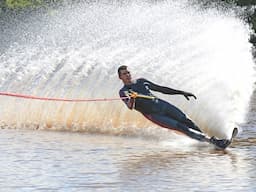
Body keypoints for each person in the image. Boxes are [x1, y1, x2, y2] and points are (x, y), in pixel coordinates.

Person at [118, 65, 231, 148]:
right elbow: (130, 106)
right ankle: (213, 141)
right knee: (182, 127)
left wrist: (181, 92)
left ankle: (207, 140)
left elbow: (162, 89)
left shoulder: (141, 82)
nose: (127, 75)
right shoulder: (123, 92)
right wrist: (133, 98)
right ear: (120, 77)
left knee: (187, 121)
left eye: (128, 72)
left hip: (162, 105)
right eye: (124, 74)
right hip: (154, 115)